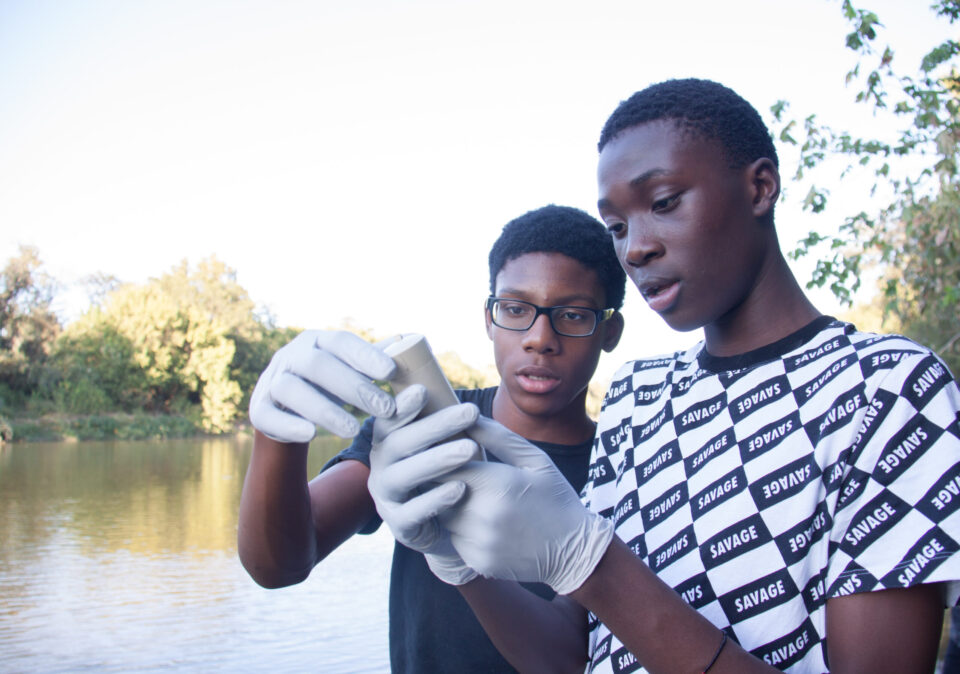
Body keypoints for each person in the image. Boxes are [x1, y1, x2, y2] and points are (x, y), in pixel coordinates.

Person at [363, 78, 960, 673]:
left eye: (665, 202)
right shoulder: (637, 395)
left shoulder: (885, 389)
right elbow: (574, 655)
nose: (636, 249)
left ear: (760, 187)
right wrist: (459, 564)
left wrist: (596, 567)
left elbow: (604, 582)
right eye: (617, 227)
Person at [237, 204, 626, 672]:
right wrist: (277, 432)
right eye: (516, 309)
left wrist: (458, 564)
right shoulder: (419, 425)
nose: (539, 338)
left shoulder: (627, 462)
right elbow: (278, 567)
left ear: (609, 330)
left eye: (573, 315)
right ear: (489, 317)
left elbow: (572, 659)